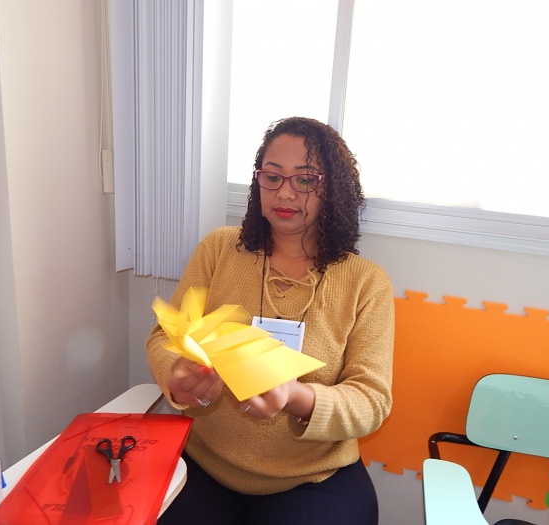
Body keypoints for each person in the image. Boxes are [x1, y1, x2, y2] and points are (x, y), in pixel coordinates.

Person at [147, 116, 394, 525]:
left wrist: (295, 396)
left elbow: (372, 400)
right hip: (205, 464)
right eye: (272, 176)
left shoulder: (366, 282)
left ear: (333, 189)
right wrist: (177, 371)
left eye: (305, 180)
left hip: (312, 478)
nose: (285, 192)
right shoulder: (219, 249)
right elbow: (165, 335)